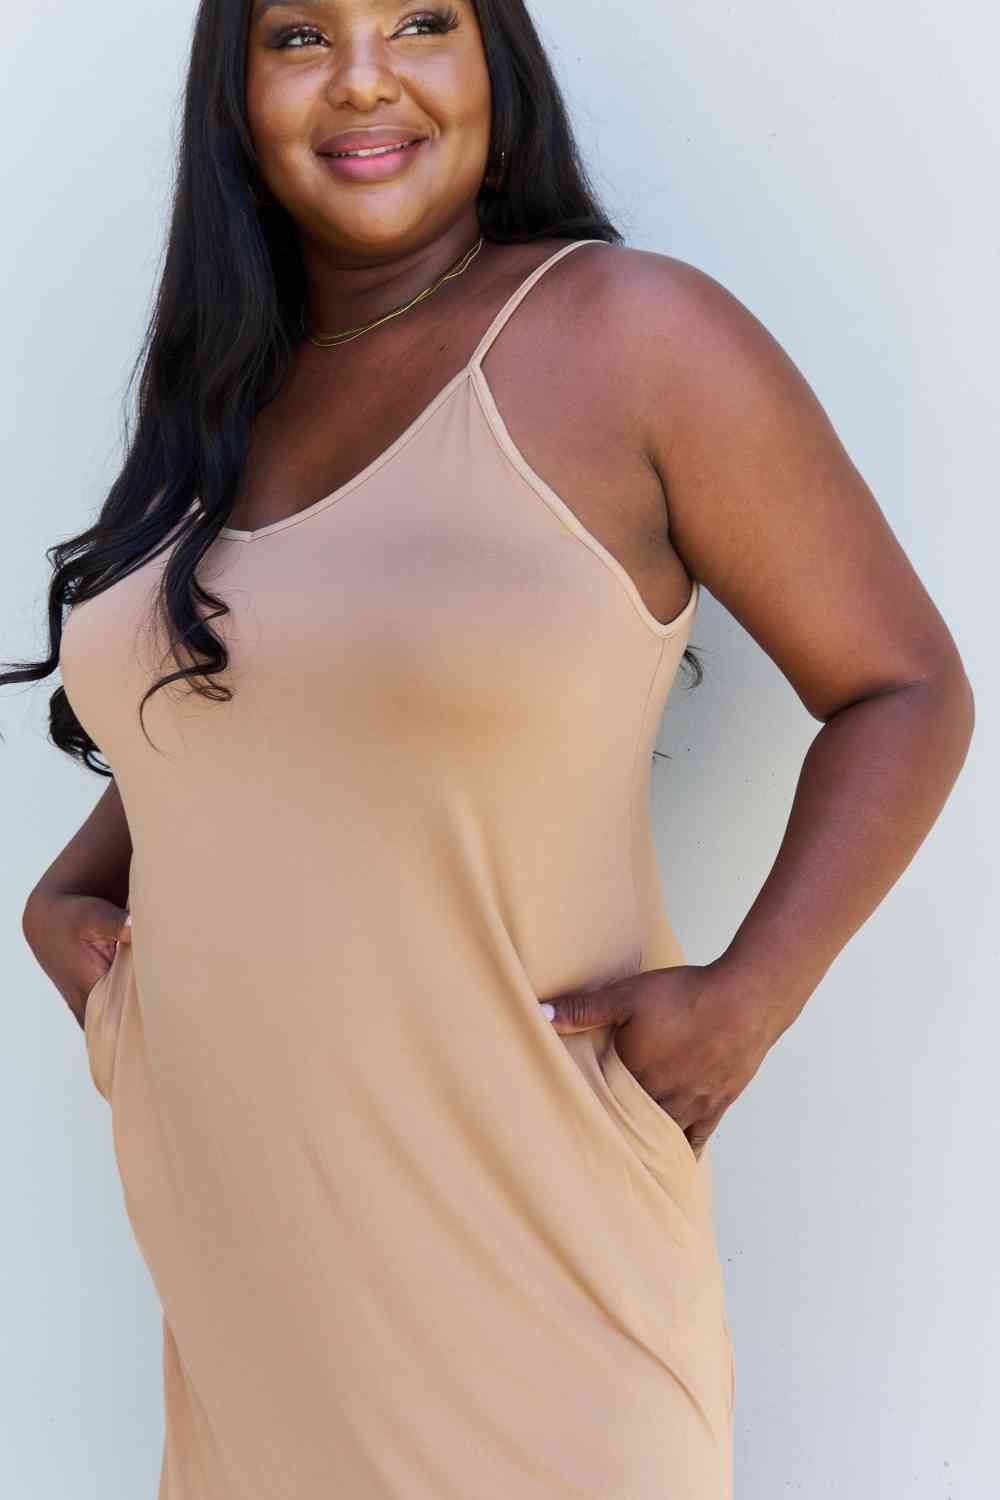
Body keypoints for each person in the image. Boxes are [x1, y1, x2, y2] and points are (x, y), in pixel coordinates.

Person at [11, 1, 974, 1496]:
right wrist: (73, 895)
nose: (364, 80)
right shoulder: (225, 391)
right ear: (235, 92)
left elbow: (904, 687)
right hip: (247, 1278)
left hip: (535, 1255)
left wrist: (753, 998)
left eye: (420, 21)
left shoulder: (631, 335)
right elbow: (255, 710)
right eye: (299, 36)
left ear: (493, 65)